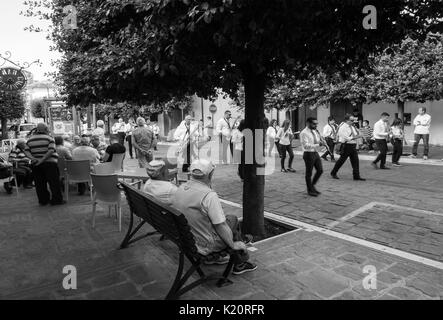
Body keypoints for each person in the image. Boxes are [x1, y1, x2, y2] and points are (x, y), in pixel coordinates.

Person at [171, 159, 256, 273]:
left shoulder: (181, 188)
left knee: (228, 222)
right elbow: (220, 225)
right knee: (232, 220)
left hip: (186, 238)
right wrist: (234, 245)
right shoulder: (209, 196)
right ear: (210, 174)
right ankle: (241, 261)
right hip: (204, 245)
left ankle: (236, 251)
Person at [23, 123, 64, 205]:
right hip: (50, 163)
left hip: (36, 164)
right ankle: (56, 200)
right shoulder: (49, 138)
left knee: (39, 184)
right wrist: (42, 159)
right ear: (45, 129)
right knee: (54, 182)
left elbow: (26, 151)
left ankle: (43, 200)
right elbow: (51, 150)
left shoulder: (30, 139)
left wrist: (33, 158)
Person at [330, 115, 366, 181]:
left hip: (353, 145)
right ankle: (333, 172)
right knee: (341, 161)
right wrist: (357, 137)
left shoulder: (352, 127)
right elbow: (346, 138)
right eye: (351, 120)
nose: (353, 122)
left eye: (353, 120)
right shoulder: (342, 127)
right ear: (347, 120)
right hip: (346, 146)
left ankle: (356, 176)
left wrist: (359, 135)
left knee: (355, 161)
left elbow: (355, 134)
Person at [300, 118, 324, 197]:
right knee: (309, 173)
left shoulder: (314, 131)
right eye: (314, 124)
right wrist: (318, 145)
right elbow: (306, 146)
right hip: (308, 154)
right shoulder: (304, 133)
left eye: (316, 124)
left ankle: (312, 186)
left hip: (315, 152)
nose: (316, 125)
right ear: (308, 123)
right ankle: (310, 190)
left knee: (320, 170)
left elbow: (316, 141)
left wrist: (321, 141)